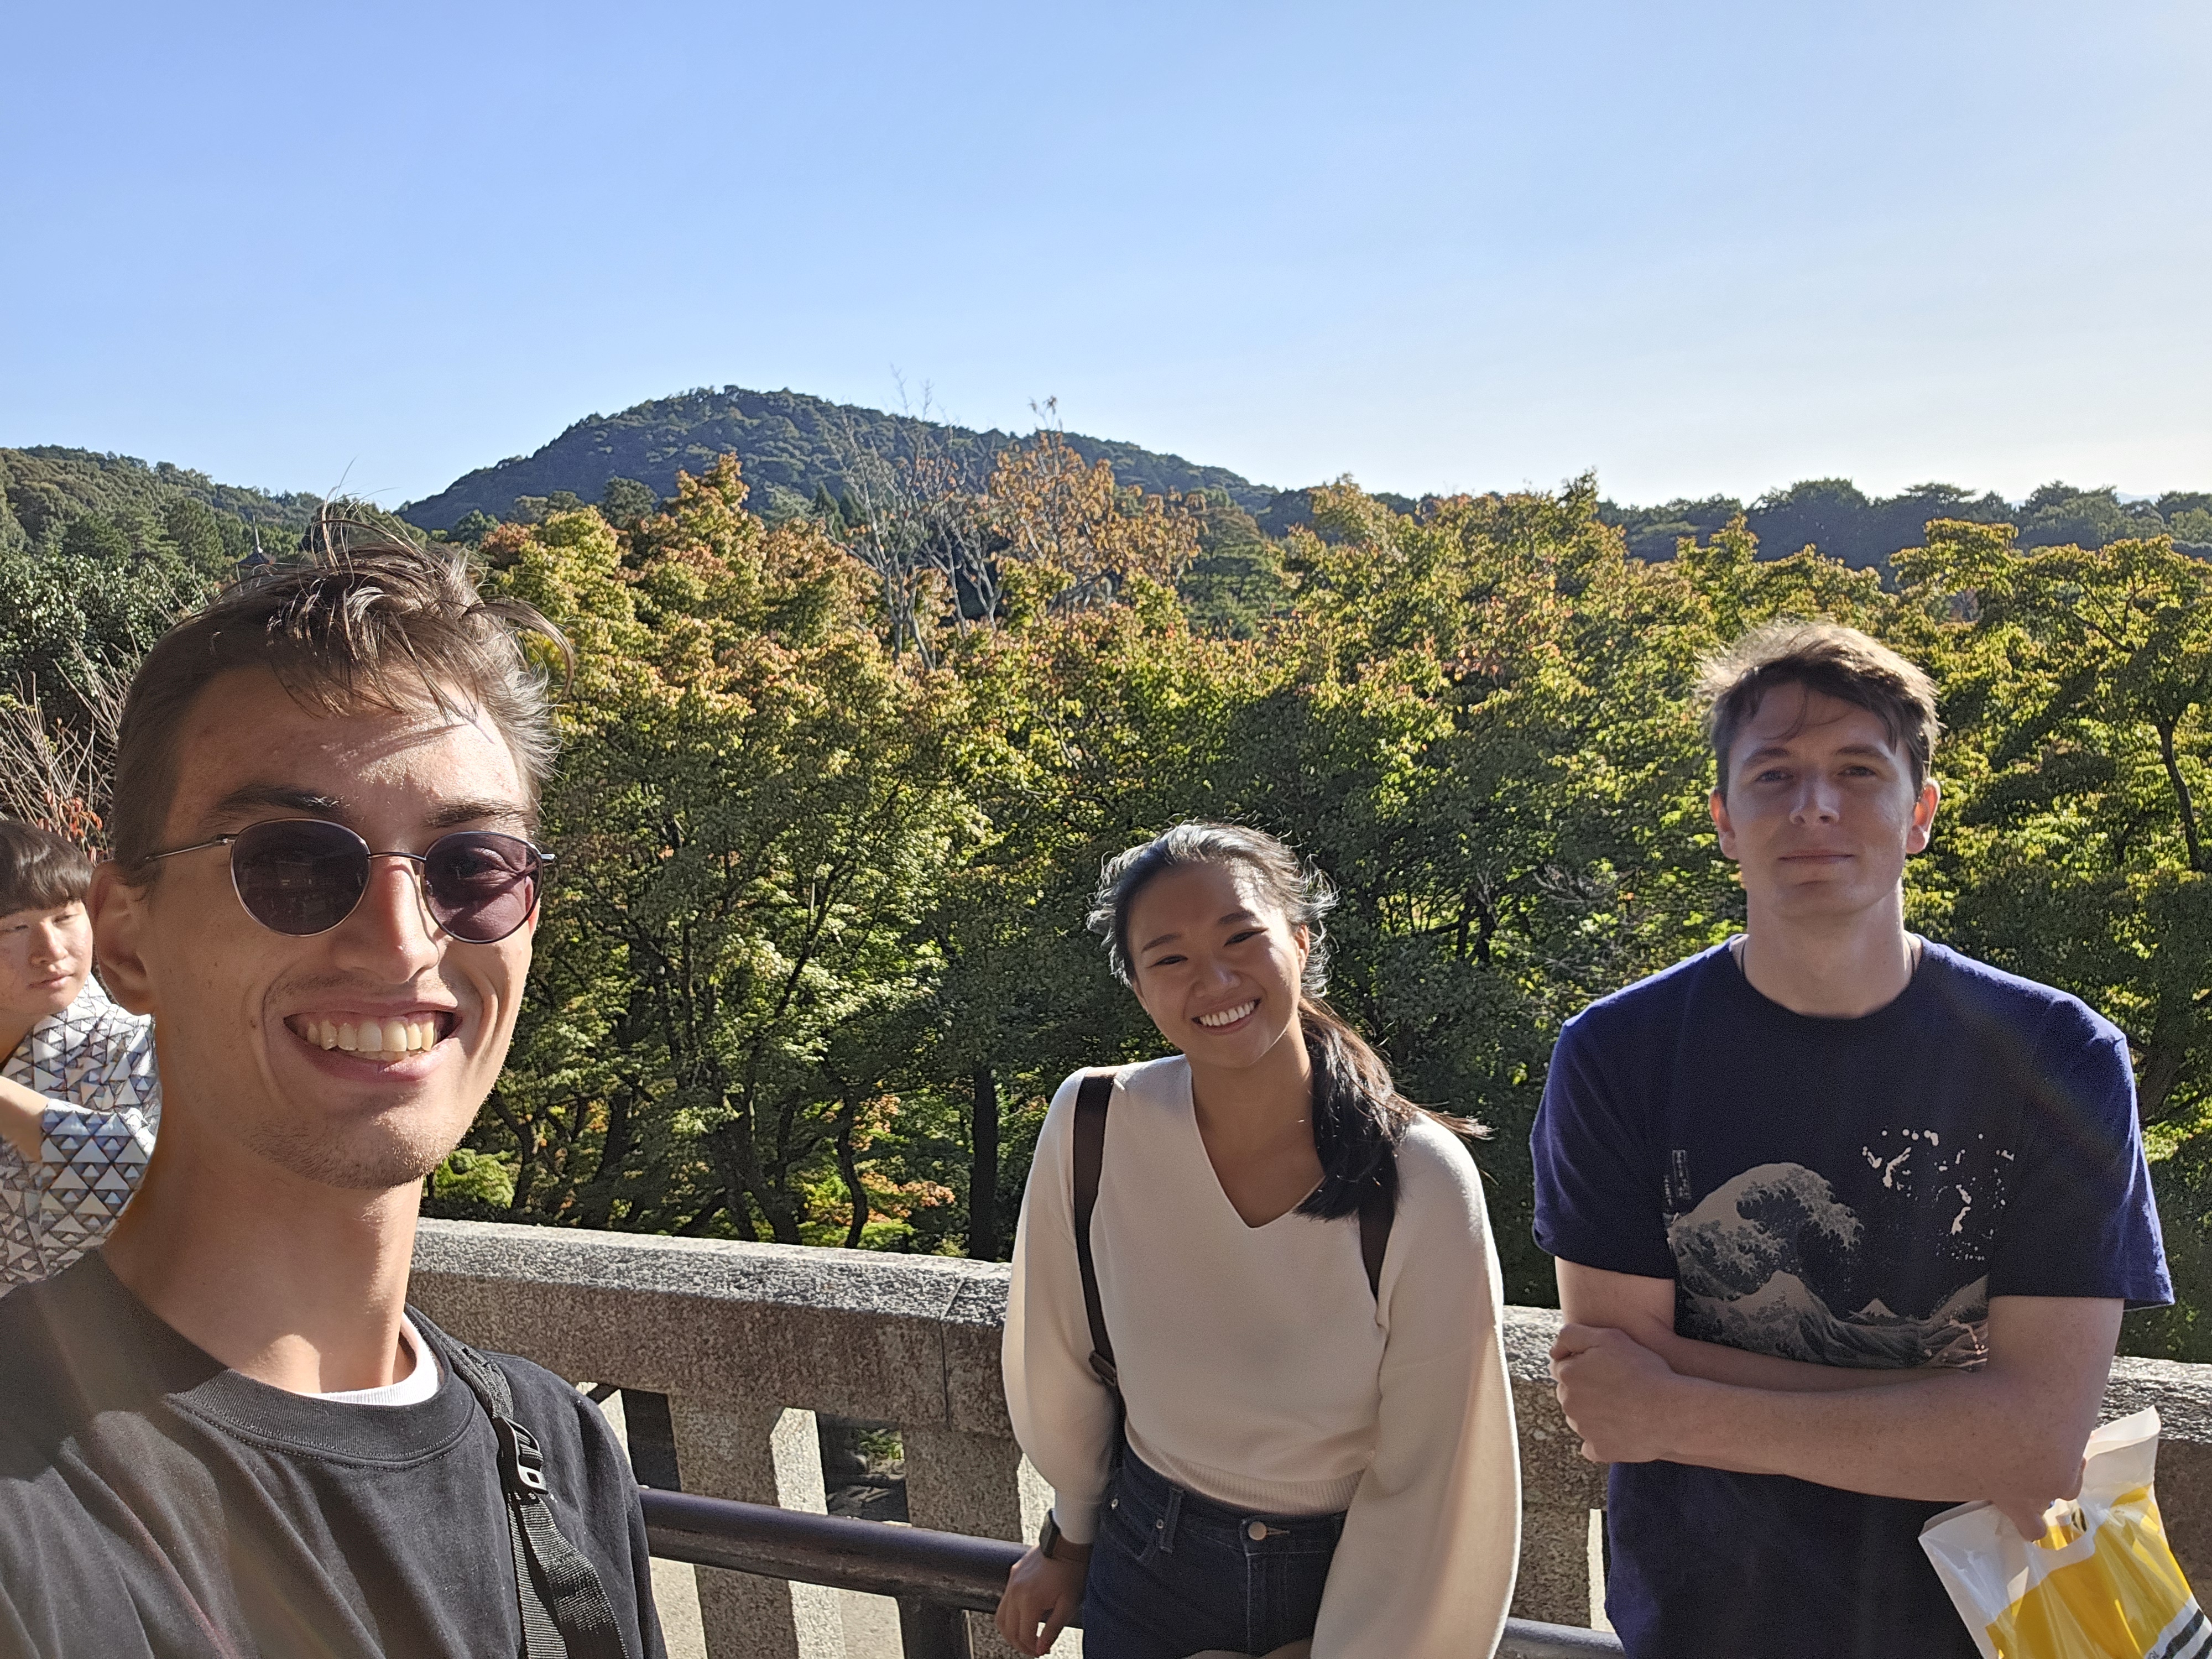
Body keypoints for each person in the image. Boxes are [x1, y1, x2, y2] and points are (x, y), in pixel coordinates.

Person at [0, 534, 664, 1658]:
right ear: (128, 938)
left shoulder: (559, 1454)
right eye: (293, 861)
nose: (402, 941)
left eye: (473, 867)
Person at [1532, 622, 2169, 1659]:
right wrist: (1958, 1416)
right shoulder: (1619, 1053)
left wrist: (1682, 1406)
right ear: (1724, 820)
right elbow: (1613, 1402)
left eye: (1858, 771)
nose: (1815, 805)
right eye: (1774, 774)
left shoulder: (2057, 1056)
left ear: (1920, 814)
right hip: (1702, 1625)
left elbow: (2033, 1448)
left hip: (1988, 1628)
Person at [996, 822, 1519, 1659]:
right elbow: (1059, 1354)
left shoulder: (1416, 1174)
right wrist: (1070, 1540)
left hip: (1349, 1576)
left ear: (1301, 943)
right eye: (1170, 958)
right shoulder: (1094, 1122)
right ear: (1139, 989)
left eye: (1242, 938)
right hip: (1147, 1560)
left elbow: (1442, 1462)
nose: (1215, 980)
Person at [0, 820, 160, 1288]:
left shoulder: (138, 1047)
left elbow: (146, 1182)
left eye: (65, 918)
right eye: (15, 928)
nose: (49, 951)